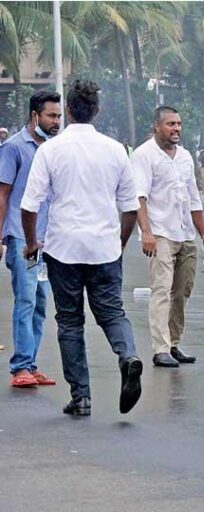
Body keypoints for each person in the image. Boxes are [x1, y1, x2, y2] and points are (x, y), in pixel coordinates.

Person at [20, 79, 143, 416]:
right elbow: (130, 208)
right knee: (112, 312)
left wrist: (32, 243)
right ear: (97, 111)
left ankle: (82, 396)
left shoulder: (51, 150)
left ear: (69, 111)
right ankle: (128, 355)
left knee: (70, 321)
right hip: (104, 249)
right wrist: (118, 243)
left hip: (64, 250)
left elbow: (29, 206)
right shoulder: (115, 149)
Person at [132, 106, 204, 368]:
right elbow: (139, 197)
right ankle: (160, 349)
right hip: (159, 233)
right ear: (157, 126)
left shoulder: (185, 156)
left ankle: (174, 343)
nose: (176, 129)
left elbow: (193, 199)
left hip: (185, 234)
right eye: (170, 124)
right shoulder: (144, 155)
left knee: (182, 291)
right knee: (162, 290)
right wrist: (146, 232)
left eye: (178, 124)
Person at [0, 90, 61, 388]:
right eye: (51, 115)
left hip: (46, 243)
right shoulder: (13, 148)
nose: (56, 121)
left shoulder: (53, 149)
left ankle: (30, 364)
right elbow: (2, 195)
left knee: (39, 302)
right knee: (25, 299)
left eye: (59, 116)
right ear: (35, 115)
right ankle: (20, 367)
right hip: (20, 239)